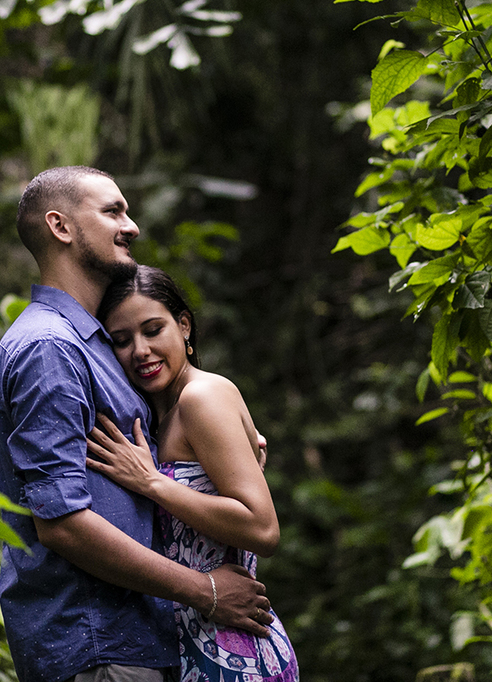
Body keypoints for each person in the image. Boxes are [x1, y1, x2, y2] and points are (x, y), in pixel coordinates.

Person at [0, 166, 274, 682]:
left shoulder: (88, 344)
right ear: (61, 227)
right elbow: (62, 524)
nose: (133, 226)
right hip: (98, 645)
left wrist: (219, 452)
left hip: (138, 642)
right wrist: (204, 589)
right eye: (113, 211)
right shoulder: (48, 347)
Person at [86, 266, 299, 682]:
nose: (141, 351)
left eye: (153, 330)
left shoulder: (203, 397)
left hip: (235, 650)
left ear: (184, 325)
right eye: (122, 340)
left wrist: (153, 484)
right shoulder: (152, 417)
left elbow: (263, 529)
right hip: (189, 646)